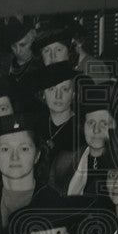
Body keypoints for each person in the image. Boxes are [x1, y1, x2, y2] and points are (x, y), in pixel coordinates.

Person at [34, 62, 82, 192]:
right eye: (52, 89)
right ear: (43, 94)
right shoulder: (35, 125)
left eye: (65, 89)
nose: (58, 96)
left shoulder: (81, 130)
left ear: (73, 94)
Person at [66, 100, 113, 197]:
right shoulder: (64, 163)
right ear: (82, 126)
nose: (96, 130)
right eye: (91, 123)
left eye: (104, 124)